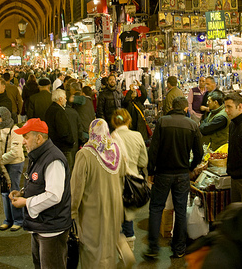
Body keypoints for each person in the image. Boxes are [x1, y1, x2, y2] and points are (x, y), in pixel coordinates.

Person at [144, 97, 203, 260]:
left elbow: (153, 149)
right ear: (185, 109)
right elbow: (199, 153)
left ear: (172, 107)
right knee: (181, 210)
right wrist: (191, 167)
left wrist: (151, 170)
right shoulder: (192, 125)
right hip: (182, 174)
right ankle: (178, 249)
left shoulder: (162, 122)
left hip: (162, 173)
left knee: (156, 208)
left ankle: (153, 248)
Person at [9, 119, 72, 269]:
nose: (23, 142)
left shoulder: (53, 159)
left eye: (26, 137)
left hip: (51, 228)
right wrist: (23, 193)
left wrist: (25, 202)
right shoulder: (38, 155)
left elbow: (53, 195)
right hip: (42, 225)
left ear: (39, 138)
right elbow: (39, 184)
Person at [71, 119, 126, 268]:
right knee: (109, 247)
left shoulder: (85, 154)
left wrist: (72, 212)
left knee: (93, 251)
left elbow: (76, 188)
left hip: (93, 209)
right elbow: (122, 173)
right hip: (114, 206)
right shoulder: (116, 149)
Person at [111, 109, 148, 251]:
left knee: (116, 215)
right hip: (132, 183)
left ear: (114, 122)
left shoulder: (110, 138)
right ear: (129, 120)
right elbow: (143, 161)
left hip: (114, 183)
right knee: (128, 216)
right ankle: (129, 246)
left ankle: (119, 244)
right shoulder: (137, 136)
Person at [0, 106, 25, 232]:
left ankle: (18, 220)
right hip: (3, 162)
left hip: (15, 163)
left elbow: (16, 152)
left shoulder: (15, 131)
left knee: (13, 190)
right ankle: (8, 219)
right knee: (5, 192)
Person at [44, 89, 75, 167]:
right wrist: (71, 142)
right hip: (63, 147)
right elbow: (63, 131)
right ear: (60, 99)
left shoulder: (50, 109)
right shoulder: (59, 111)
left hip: (54, 145)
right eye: (65, 98)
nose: (66, 100)